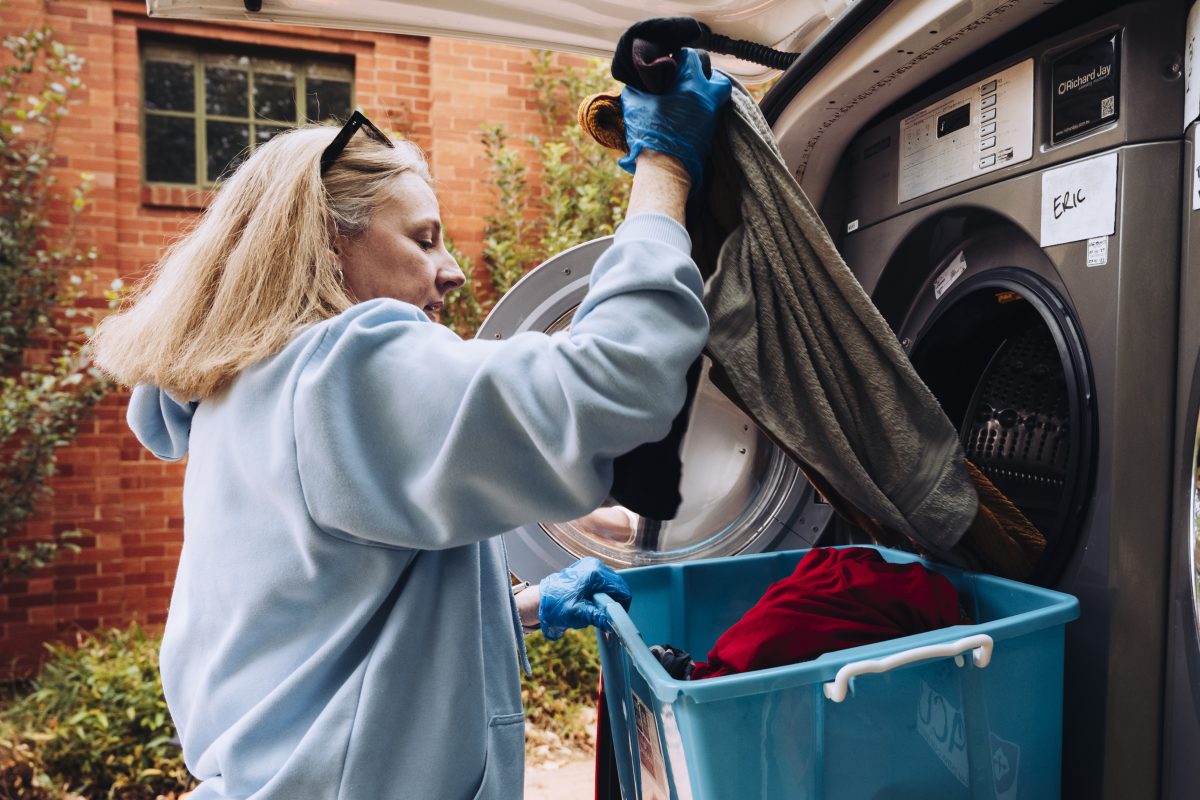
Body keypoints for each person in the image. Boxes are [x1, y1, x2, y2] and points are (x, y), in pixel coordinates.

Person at [90, 48, 731, 799]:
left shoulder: (240, 396)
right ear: (329, 242)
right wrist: (665, 171)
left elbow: (325, 625)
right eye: (424, 239)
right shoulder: (340, 369)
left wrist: (519, 608)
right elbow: (614, 385)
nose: (452, 269)